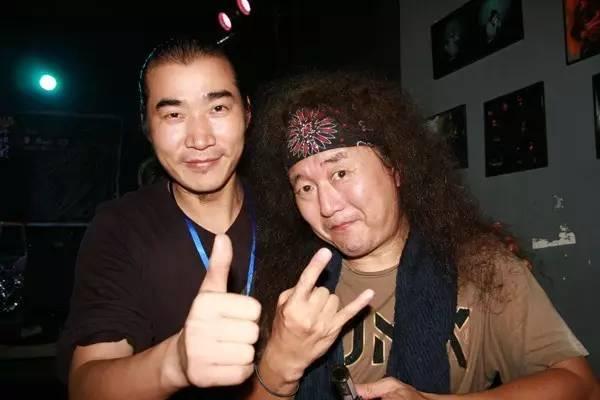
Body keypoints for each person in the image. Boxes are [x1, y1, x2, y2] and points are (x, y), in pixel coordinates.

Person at [245, 71, 599, 399]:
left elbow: (580, 386)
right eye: (305, 187)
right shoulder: (290, 289)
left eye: (340, 173)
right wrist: (280, 365)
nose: (326, 205)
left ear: (396, 169)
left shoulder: (480, 267)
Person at [57, 37, 261, 399]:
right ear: (148, 127)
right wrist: (175, 363)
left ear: (246, 113)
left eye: (217, 108)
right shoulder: (121, 228)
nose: (200, 139)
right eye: (173, 115)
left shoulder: (292, 207)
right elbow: (86, 385)